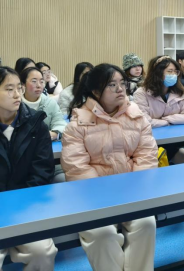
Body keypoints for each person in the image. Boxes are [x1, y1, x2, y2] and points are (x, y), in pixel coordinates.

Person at [62, 64, 158, 271]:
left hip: (132, 192)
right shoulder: (77, 126)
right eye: (112, 85)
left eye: (122, 83)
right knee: (102, 234)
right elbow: (77, 169)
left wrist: (135, 189)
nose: (120, 89)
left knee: (146, 223)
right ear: (96, 92)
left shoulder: (137, 117)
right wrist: (104, 196)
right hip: (92, 198)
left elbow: (147, 156)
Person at [0, 66, 58, 270]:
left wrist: (18, 205)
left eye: (19, 88)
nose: (17, 95)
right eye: (9, 89)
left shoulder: (36, 123)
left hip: (26, 206)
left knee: (43, 252)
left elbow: (43, 172)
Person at [133, 56, 184, 164]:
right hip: (149, 143)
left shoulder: (180, 92)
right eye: (169, 71)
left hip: (174, 140)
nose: (173, 75)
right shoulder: (141, 93)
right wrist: (169, 122)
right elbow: (145, 121)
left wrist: (166, 119)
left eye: (176, 71)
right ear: (157, 73)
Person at [20, 67, 66, 141]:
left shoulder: (50, 103)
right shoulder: (16, 104)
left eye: (41, 81)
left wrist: (53, 134)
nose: (39, 85)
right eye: (34, 81)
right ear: (23, 84)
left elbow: (60, 123)